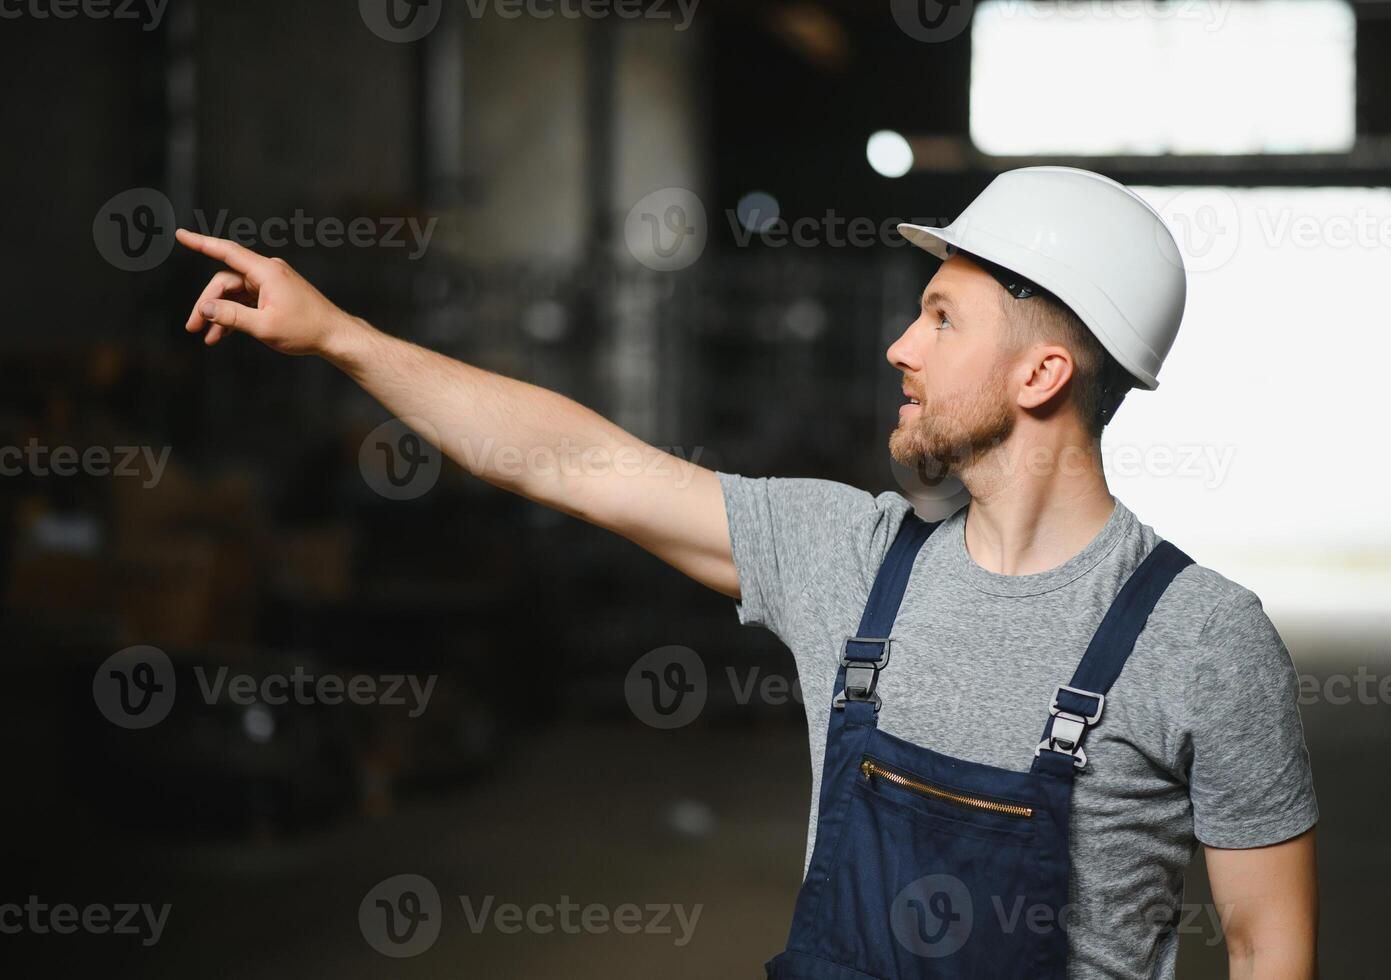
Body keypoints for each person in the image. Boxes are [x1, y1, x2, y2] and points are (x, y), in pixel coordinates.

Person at [174, 166, 1318, 979]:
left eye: (939, 318)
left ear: (1042, 373)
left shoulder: (1205, 639)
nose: (898, 349)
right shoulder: (853, 562)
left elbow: (1270, 948)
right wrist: (342, 337)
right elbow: (577, 462)